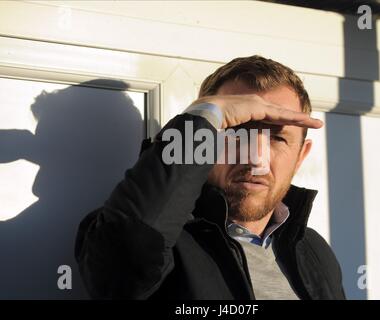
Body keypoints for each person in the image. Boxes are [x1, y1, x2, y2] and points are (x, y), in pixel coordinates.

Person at [75, 55, 346, 300]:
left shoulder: (313, 250)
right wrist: (205, 116)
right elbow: (121, 272)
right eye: (236, 132)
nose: (255, 158)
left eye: (276, 138)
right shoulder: (161, 240)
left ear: (300, 156)